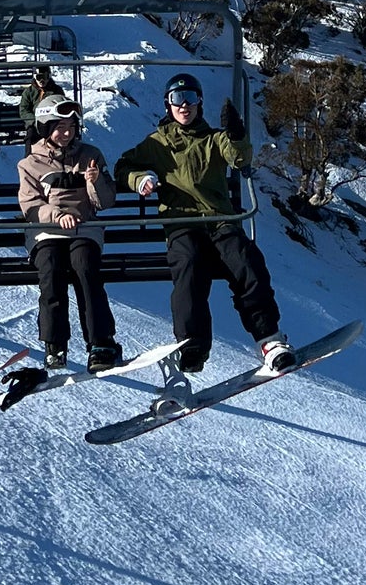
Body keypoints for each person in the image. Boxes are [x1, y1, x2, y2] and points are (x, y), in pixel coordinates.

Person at [118, 73, 292, 380]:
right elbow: (123, 166)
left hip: (219, 220)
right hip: (181, 223)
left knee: (247, 261)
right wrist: (140, 179)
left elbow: (238, 159)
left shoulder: (214, 139)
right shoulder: (156, 145)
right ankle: (192, 345)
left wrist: (236, 135)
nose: (184, 106)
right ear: (167, 105)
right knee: (190, 265)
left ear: (199, 102)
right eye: (176, 99)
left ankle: (269, 340)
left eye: (191, 99)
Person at [16, 95, 123, 372]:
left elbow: (106, 202)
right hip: (46, 232)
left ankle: (101, 341)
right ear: (45, 128)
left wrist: (95, 183)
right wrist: (57, 216)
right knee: (51, 269)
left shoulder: (91, 156)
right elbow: (30, 206)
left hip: (84, 228)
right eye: (59, 127)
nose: (65, 134)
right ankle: (55, 343)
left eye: (71, 127)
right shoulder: (29, 164)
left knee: (85, 267)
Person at [18, 59, 60, 144]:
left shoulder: (56, 90)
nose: (42, 81)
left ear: (49, 77)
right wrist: (34, 121)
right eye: (39, 77)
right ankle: (30, 156)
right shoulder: (29, 92)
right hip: (34, 124)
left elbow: (61, 106)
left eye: (44, 77)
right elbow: (24, 110)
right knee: (30, 137)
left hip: (51, 123)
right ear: (35, 78)